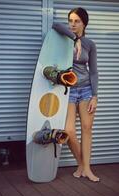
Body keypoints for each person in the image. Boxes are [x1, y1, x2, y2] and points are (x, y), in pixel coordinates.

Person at [52, 7, 99, 182]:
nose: (72, 24)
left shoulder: (90, 44)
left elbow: (93, 72)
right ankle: (82, 164)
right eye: (70, 20)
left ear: (84, 23)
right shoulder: (64, 37)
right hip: (68, 92)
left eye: (77, 21)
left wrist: (95, 95)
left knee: (87, 130)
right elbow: (55, 25)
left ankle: (87, 169)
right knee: (70, 131)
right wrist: (75, 39)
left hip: (86, 89)